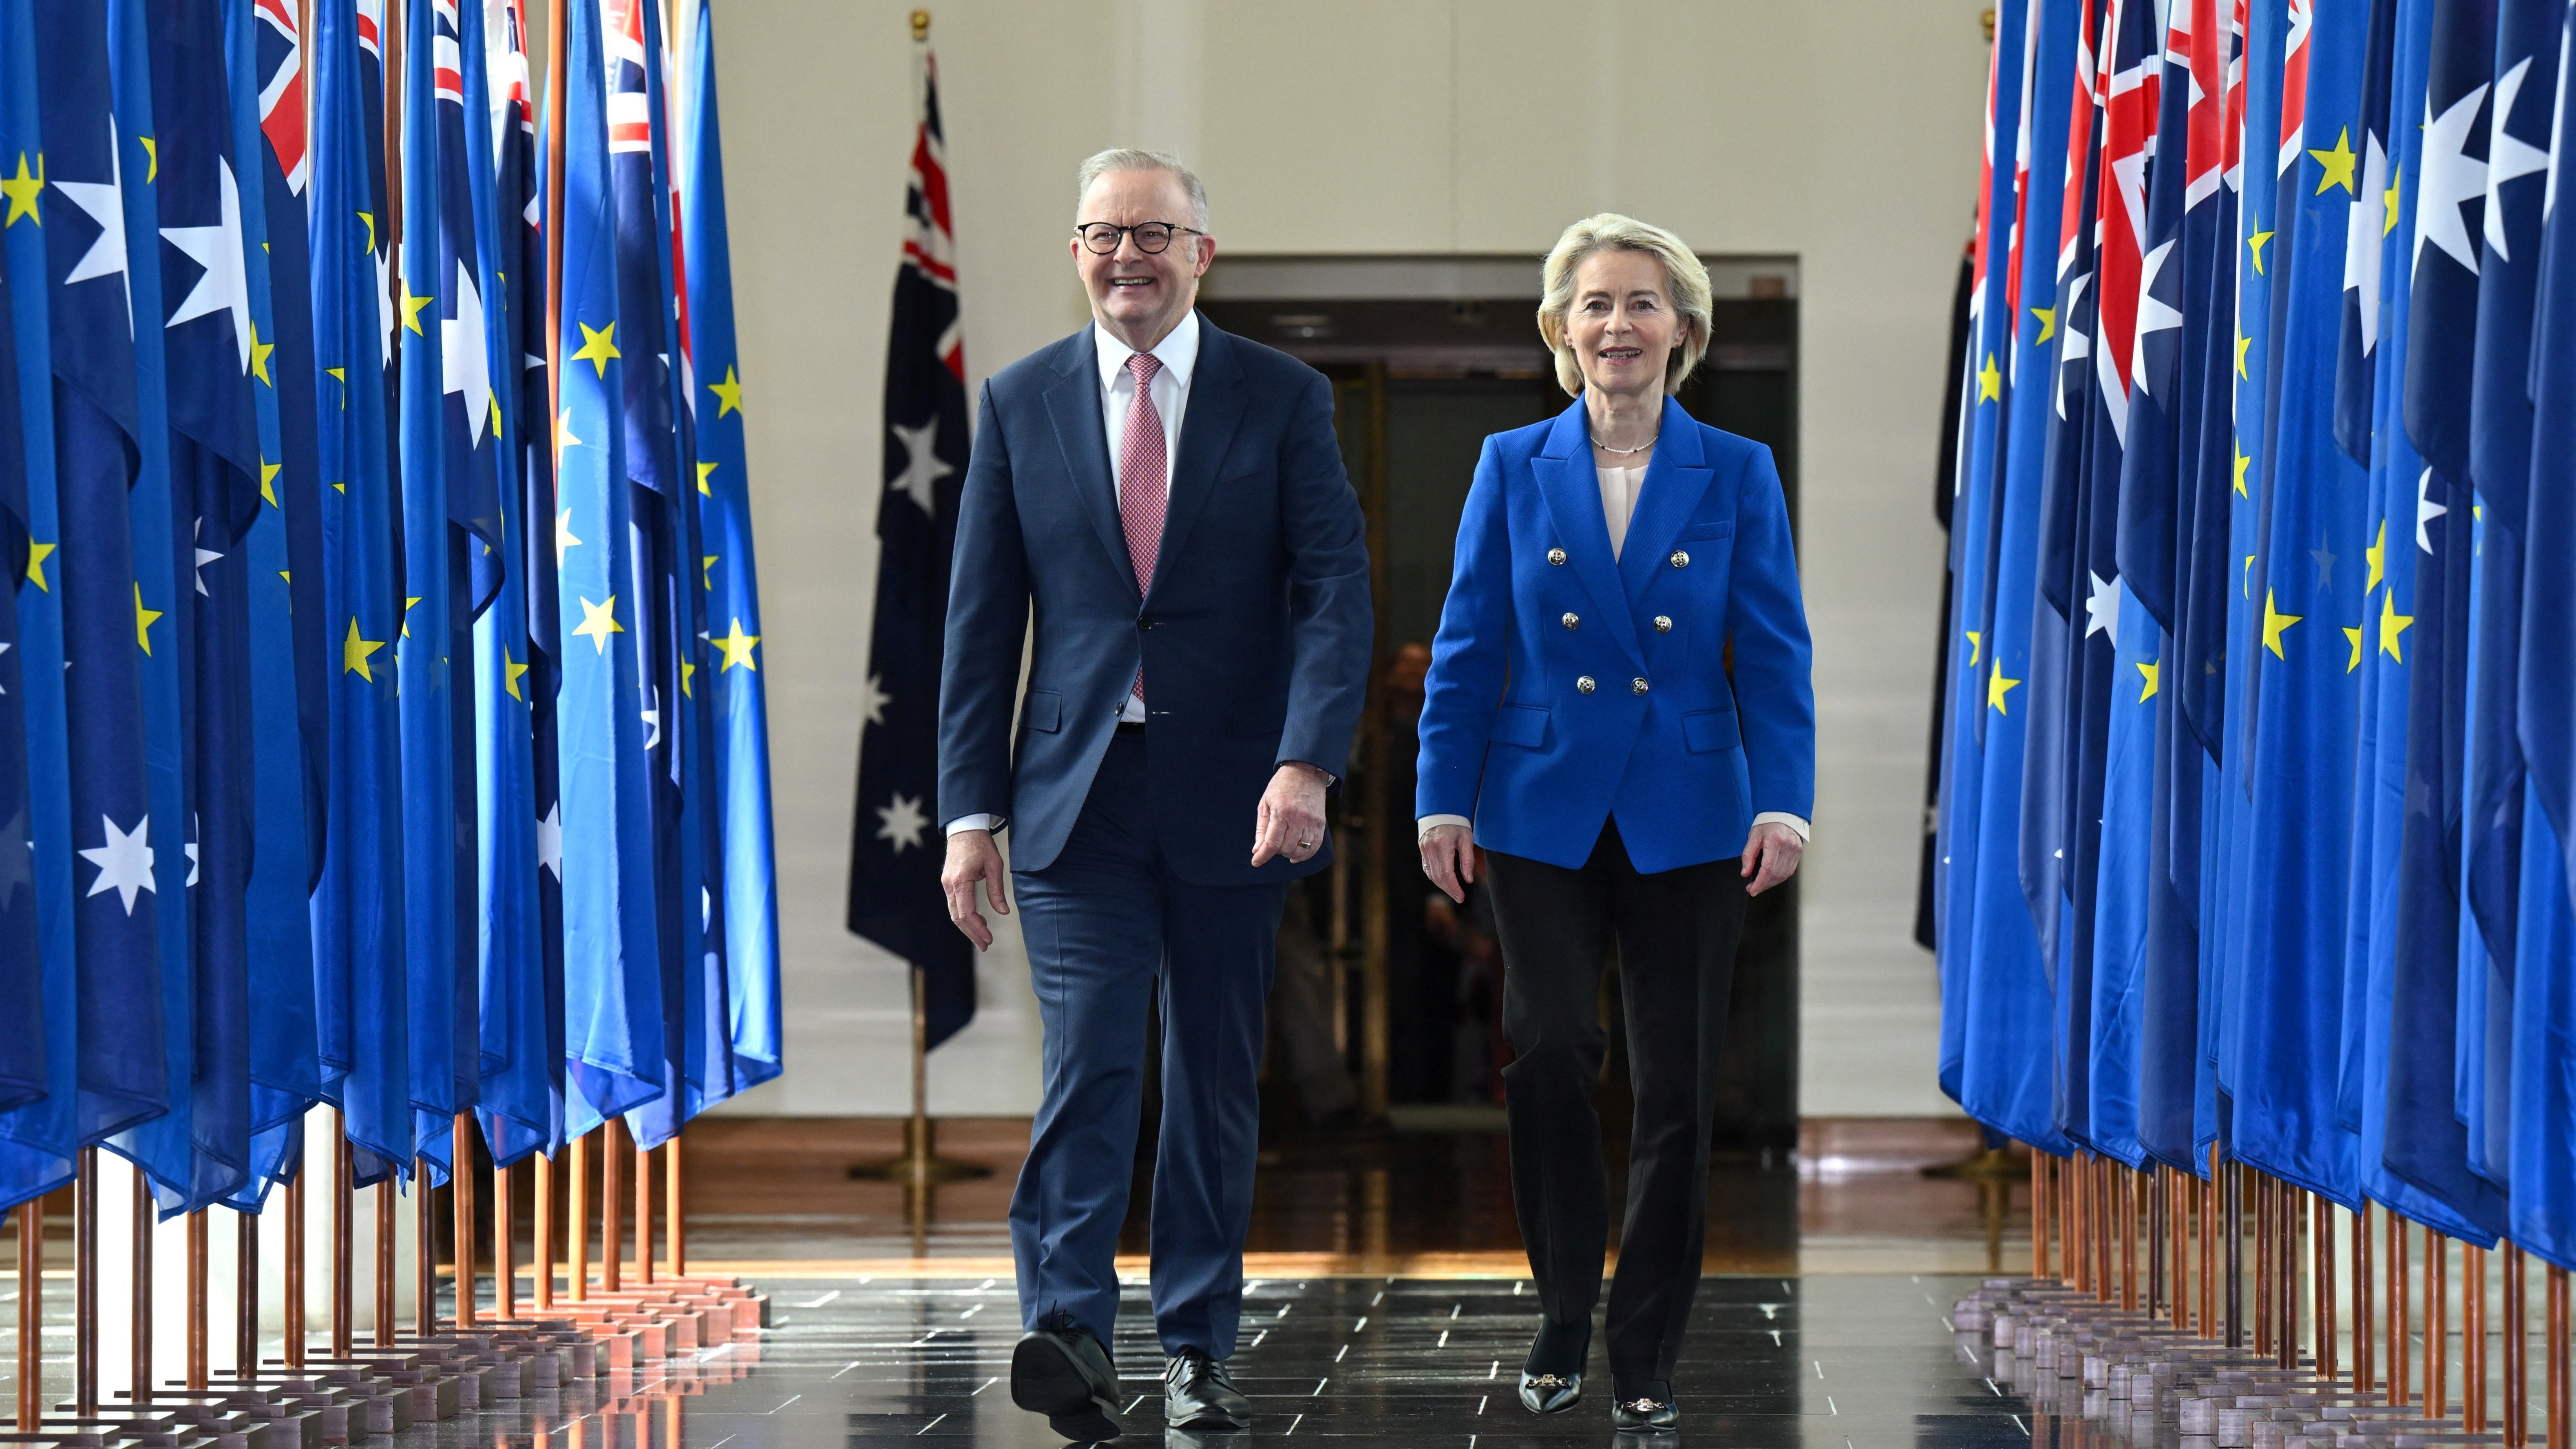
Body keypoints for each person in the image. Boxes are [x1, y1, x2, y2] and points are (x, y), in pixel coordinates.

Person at [936, 148, 1373, 1441]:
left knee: (1214, 1080)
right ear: (1075, 251)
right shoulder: (1019, 404)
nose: (1128, 253)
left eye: (1155, 232)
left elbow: (1332, 591)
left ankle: (1197, 1345)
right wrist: (969, 814)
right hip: (1076, 799)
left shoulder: (1282, 396)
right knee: (1090, 1065)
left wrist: (1308, 760)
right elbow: (978, 623)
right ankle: (1068, 1328)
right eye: (1103, 231)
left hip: (1241, 798)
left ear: (1203, 253)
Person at [1413, 213, 1815, 1434]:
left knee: (1682, 1087)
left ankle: (1646, 1343)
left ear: (1683, 330)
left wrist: (1784, 795)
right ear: (1560, 327)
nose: (1617, 325)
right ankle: (1560, 1309)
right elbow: (1472, 641)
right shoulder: (1508, 461)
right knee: (1545, 1056)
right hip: (1539, 808)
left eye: (1643, 303)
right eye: (1595, 303)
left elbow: (1775, 648)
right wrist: (1441, 789)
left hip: (1692, 811)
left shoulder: (1736, 468)